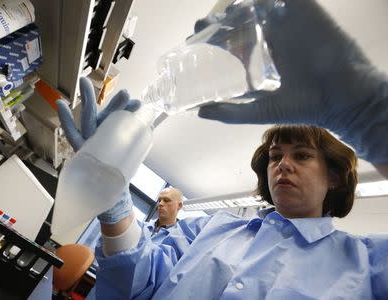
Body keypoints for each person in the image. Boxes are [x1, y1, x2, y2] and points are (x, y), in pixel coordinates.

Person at [56, 0, 388, 298]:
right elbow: (138, 283)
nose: (283, 164)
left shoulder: (365, 266)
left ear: (333, 176)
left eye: (301, 155)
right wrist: (115, 204)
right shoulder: (210, 228)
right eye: (275, 156)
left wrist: (370, 115)